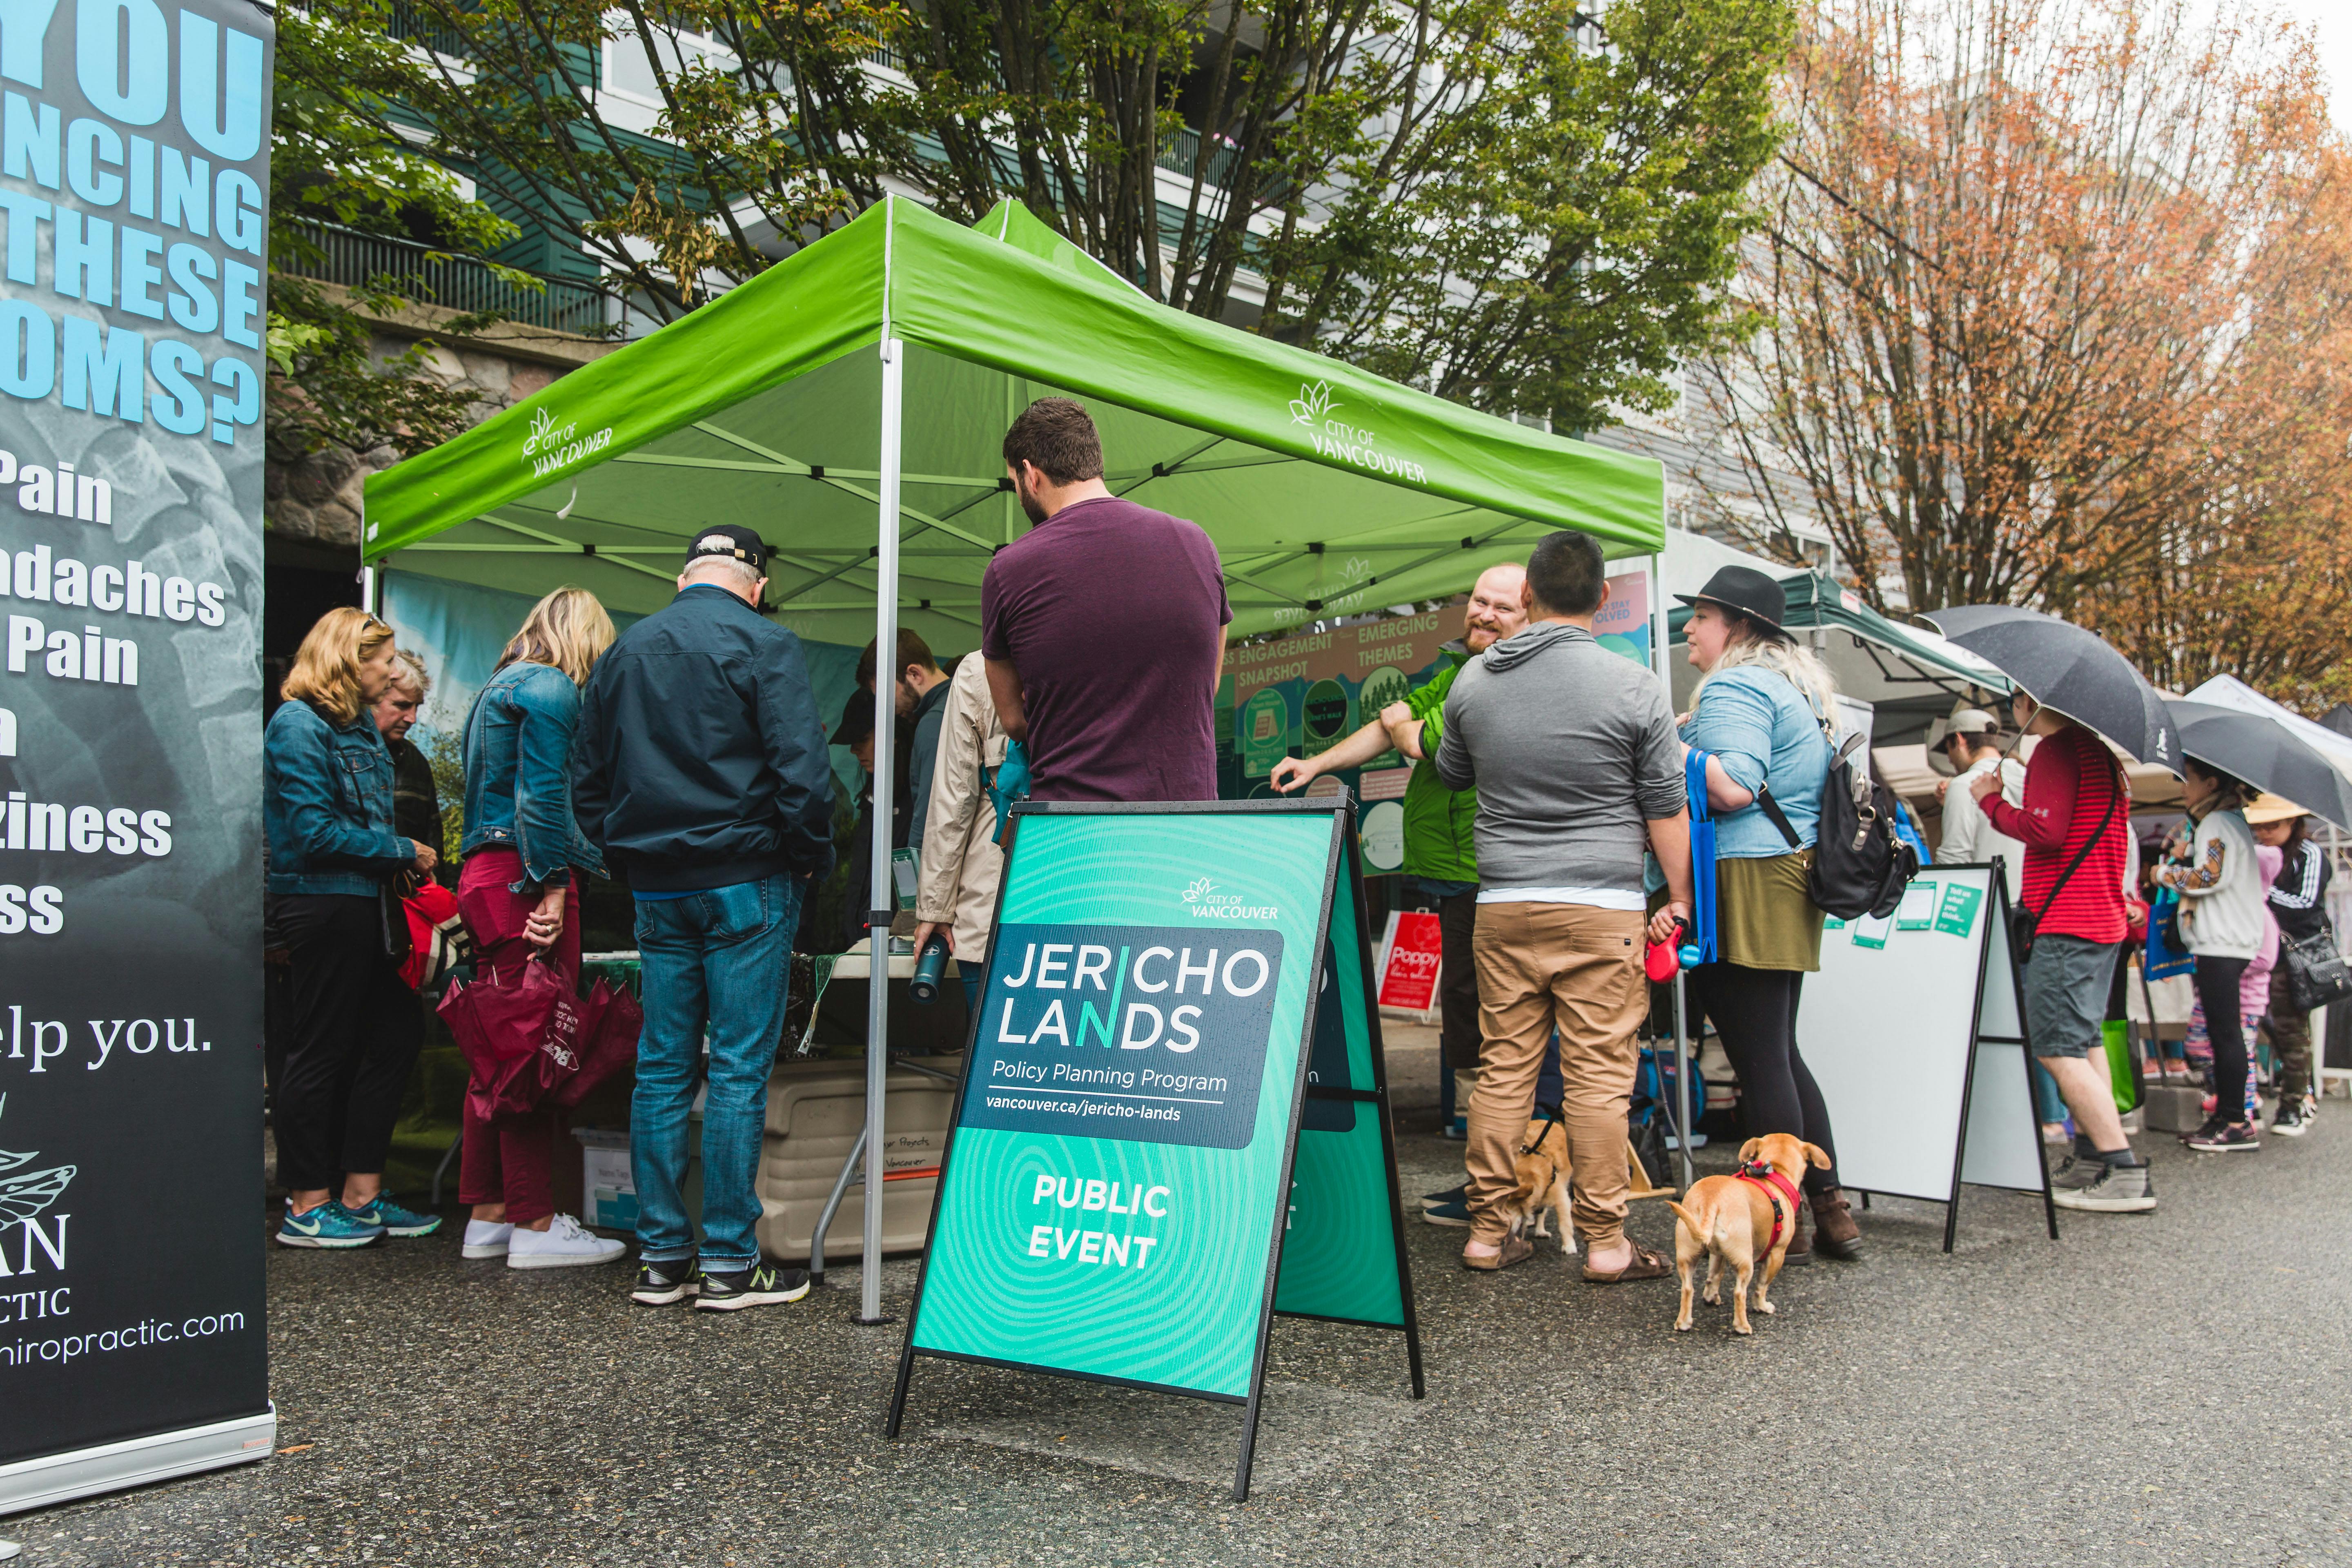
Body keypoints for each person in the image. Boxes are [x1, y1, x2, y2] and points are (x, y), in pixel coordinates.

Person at [572, 525, 835, 1311]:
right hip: (746, 876)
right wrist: (809, 855)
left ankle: (662, 1259)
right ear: (755, 583)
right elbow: (805, 775)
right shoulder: (767, 642)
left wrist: (628, 861)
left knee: (661, 1066)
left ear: (685, 576)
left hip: (657, 886)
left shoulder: (622, 654)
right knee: (737, 1067)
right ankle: (728, 1263)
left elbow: (585, 783)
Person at [1433, 530, 1693, 1277]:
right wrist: (1679, 896)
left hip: (1506, 902)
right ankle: (1606, 1243)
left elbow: (1452, 772)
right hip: (1601, 907)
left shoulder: (1474, 683)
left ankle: (1488, 1231)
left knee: (1504, 1067)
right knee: (1599, 1078)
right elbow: (1665, 806)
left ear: (1530, 598)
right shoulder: (1635, 685)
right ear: (1603, 599)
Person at [1269, 563, 1530, 1220]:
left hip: (1486, 881)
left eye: (1503, 606)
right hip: (1455, 879)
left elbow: (1428, 743)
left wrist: (1403, 728)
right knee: (1473, 1033)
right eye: (1479, 601)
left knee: (1487, 1039)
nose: (1485, 614)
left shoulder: (1510, 680)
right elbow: (1388, 728)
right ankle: (1495, 1183)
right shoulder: (1461, 672)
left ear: (1531, 617)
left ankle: (1503, 1190)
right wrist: (1317, 764)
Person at [1676, 565, 1862, 1263]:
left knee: (1761, 1060)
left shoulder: (1735, 684)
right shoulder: (1794, 689)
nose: (1689, 629)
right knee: (1780, 1054)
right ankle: (1829, 1210)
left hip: (1746, 876)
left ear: (1740, 626)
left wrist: (1662, 742)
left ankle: (1778, 1219)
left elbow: (1731, 788)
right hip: (1787, 874)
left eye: (1701, 616)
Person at [454, 587, 628, 1270]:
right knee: (532, 1049)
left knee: (496, 1053)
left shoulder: (497, 686)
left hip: (487, 875)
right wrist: (553, 885)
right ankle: (533, 1220)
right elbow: (542, 793)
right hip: (523, 878)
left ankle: (489, 1213)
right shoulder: (552, 688)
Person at [263, 608, 442, 1249]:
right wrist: (400, 850)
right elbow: (312, 832)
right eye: (386, 661)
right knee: (321, 1048)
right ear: (349, 659)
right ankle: (307, 1205)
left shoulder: (359, 728)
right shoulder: (297, 724)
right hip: (320, 902)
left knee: (395, 1035)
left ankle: (361, 1195)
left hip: (369, 904)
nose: (395, 672)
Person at [983, 397, 1230, 800]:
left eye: (1014, 481)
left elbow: (1014, 720)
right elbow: (1208, 683)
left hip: (1078, 833)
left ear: (1030, 474)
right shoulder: (1198, 545)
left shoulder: (1008, 570)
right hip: (1190, 824)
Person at [1972, 691, 2149, 1205]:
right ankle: (2098, 1155)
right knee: (2085, 1041)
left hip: (2068, 920)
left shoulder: (2056, 749)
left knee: (2055, 1046)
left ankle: (2122, 1168)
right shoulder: (2100, 754)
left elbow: (2045, 830)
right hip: (2101, 917)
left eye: (2013, 702)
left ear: (2029, 701)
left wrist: (1990, 799)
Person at [2154, 757, 2265, 1153]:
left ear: (2211, 783)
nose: (2183, 787)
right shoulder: (2228, 822)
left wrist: (2163, 874)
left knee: (2225, 1033)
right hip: (2229, 939)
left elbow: (2208, 878)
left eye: (2190, 780)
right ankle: (2228, 1116)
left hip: (2223, 940)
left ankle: (2235, 1120)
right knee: (2223, 1032)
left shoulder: (2217, 823)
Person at [912, 648, 1010, 1013]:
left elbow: (954, 800)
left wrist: (935, 910)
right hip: (1102, 903)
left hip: (992, 905)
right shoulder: (1122, 653)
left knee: (992, 1062)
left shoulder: (980, 668)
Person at [2250, 794, 2330, 1135]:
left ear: (2293, 823)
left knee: (2292, 1030)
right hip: (2259, 953)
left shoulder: (2310, 854)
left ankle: (2294, 1104)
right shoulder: (2255, 854)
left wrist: (2260, 889)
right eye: (2261, 826)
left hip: (2294, 957)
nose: (2266, 832)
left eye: (2274, 825)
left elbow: (2305, 903)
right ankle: (2294, 1095)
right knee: (2266, 1024)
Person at [1932, 709, 2027, 898]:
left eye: (1949, 751)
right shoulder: (2026, 776)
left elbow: (1954, 859)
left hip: (1992, 905)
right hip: (2032, 903)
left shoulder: (1963, 785)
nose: (1950, 760)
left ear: (1959, 740)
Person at [376, 649, 445, 874]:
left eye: (417, 707)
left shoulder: (415, 762)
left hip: (405, 900)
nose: (412, 719)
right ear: (372, 696)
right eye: (402, 705)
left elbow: (433, 842)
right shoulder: (332, 748)